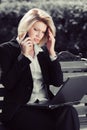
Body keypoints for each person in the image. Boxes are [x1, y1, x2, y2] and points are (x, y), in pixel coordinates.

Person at [0, 8, 80, 130]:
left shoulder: (42, 53)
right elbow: (8, 83)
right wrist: (24, 57)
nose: (39, 35)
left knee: (69, 111)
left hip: (45, 107)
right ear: (26, 27)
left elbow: (57, 81)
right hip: (20, 110)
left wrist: (52, 52)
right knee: (54, 124)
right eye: (35, 29)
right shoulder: (6, 49)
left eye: (42, 32)